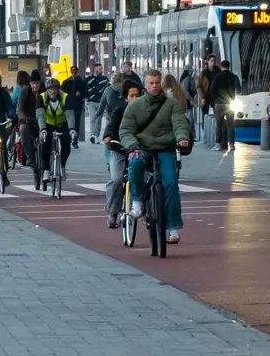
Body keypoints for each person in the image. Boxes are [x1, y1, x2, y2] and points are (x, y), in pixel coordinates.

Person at [120, 69, 193, 242]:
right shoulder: (134, 106)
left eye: (156, 83)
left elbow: (180, 123)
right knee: (135, 165)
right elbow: (126, 130)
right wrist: (133, 145)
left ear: (161, 84)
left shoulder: (172, 104)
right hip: (143, 148)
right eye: (151, 83)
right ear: (145, 85)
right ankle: (137, 199)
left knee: (171, 184)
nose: (154, 86)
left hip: (166, 148)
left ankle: (173, 227)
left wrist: (182, 138)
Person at [103, 75, 142, 223]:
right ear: (126, 98)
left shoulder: (145, 113)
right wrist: (108, 137)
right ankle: (112, 212)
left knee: (146, 177)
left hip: (138, 151)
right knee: (117, 179)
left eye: (137, 95)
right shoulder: (119, 112)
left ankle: (145, 205)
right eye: (132, 95)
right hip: (119, 150)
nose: (135, 98)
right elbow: (110, 128)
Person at [36, 76, 71, 188]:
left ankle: (63, 167)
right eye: (50, 89)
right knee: (44, 144)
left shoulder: (65, 97)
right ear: (46, 90)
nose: (52, 91)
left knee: (66, 144)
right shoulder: (41, 97)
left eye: (55, 89)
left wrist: (72, 129)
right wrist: (43, 129)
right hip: (48, 126)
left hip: (62, 125)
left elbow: (70, 114)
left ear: (58, 89)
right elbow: (40, 114)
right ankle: (46, 169)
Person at [208, 59, 240, 152]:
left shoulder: (217, 77)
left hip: (219, 103)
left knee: (219, 124)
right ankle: (232, 144)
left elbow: (212, 89)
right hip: (230, 103)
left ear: (222, 66)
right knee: (231, 124)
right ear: (229, 66)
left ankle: (218, 145)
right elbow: (239, 89)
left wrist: (216, 98)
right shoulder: (234, 77)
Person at [82, 64, 109, 141]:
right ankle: (92, 135)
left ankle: (96, 135)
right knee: (93, 118)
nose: (101, 70)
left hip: (101, 102)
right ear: (95, 69)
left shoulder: (105, 79)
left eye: (101, 68)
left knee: (99, 119)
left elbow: (108, 89)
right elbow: (84, 89)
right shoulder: (88, 80)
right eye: (100, 68)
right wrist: (87, 98)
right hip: (91, 102)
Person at [61, 68, 85, 143]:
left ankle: (75, 140)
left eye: (75, 72)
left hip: (77, 105)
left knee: (77, 122)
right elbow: (62, 92)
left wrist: (80, 93)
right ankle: (68, 138)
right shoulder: (66, 82)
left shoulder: (81, 81)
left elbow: (85, 92)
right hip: (68, 105)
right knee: (67, 122)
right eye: (72, 72)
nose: (74, 74)